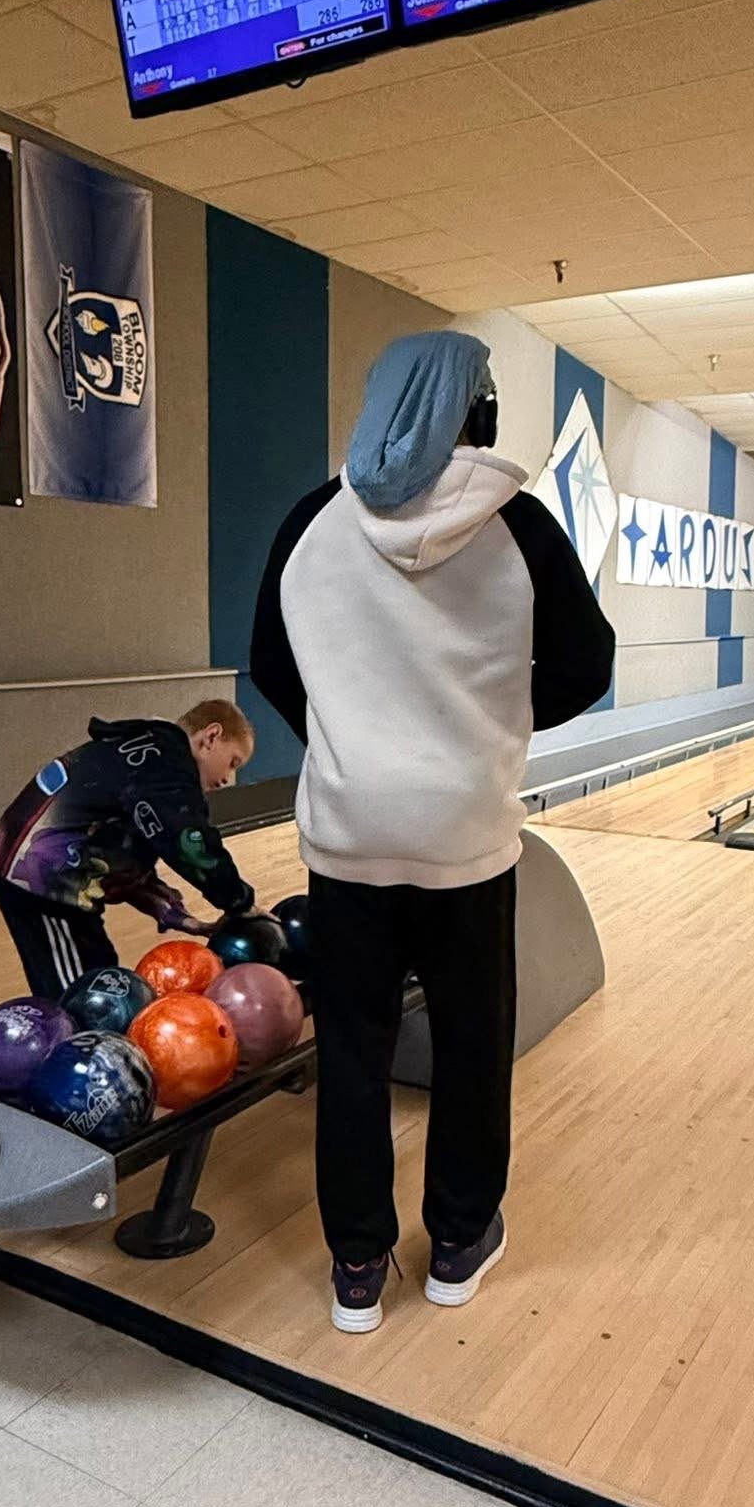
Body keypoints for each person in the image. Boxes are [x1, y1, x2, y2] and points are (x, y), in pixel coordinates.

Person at [251, 330, 615, 1333]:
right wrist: (489, 725)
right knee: (469, 1043)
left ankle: (357, 1266)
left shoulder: (309, 523)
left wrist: (352, 741)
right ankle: (459, 1241)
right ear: (477, 413)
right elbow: (588, 663)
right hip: (466, 838)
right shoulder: (523, 524)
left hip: (349, 839)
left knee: (356, 1052)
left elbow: (270, 664)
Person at [0, 698, 258, 999]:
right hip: (39, 879)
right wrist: (239, 902)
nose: (227, 779)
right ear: (211, 736)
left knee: (99, 971)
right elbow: (189, 843)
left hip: (42, 868)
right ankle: (74, 1040)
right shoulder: (168, 766)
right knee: (80, 994)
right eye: (233, 762)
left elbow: (122, 863)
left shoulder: (149, 753)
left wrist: (178, 915)